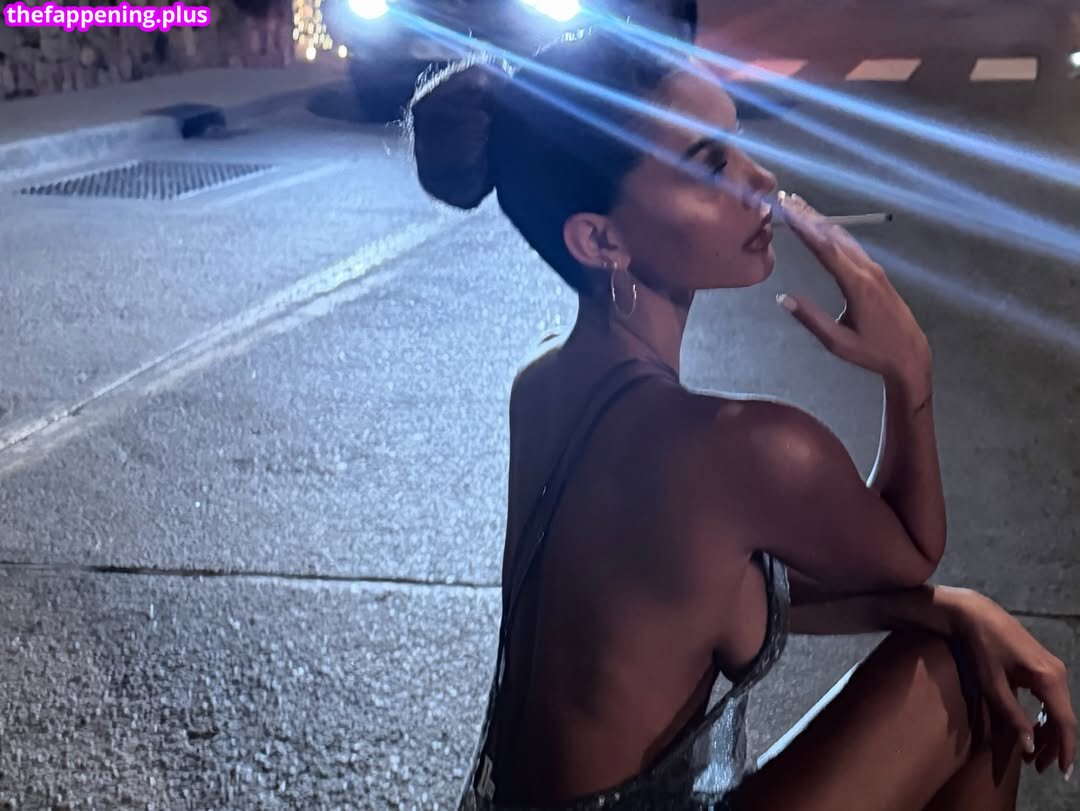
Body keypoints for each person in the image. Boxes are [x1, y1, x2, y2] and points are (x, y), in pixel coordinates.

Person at [403, 25, 1076, 811]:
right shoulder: (745, 450)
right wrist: (909, 369)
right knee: (958, 679)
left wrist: (951, 606)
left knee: (957, 636)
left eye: (737, 142)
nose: (760, 181)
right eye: (707, 164)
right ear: (600, 238)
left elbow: (696, 589)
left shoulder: (541, 386)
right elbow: (910, 551)